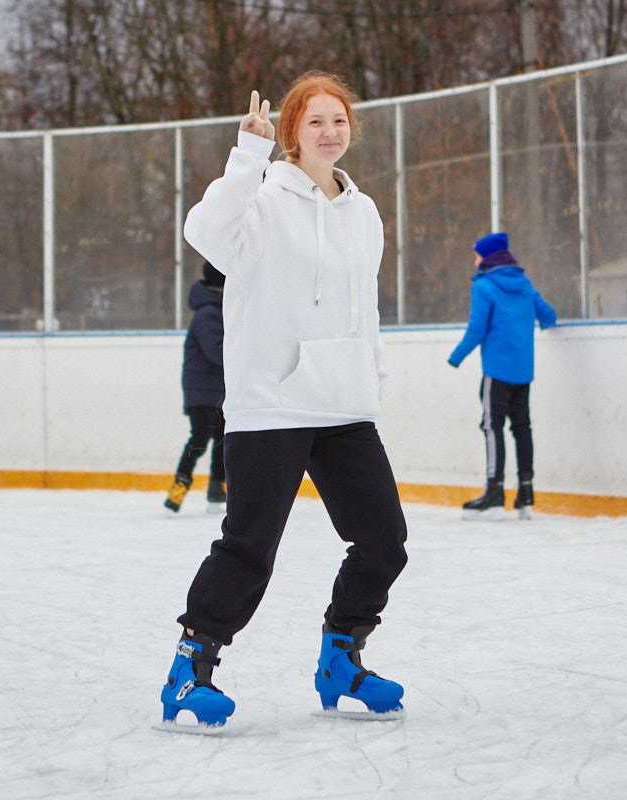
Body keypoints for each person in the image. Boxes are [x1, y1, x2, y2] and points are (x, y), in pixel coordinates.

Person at [159, 74, 409, 730]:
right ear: (292, 133)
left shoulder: (365, 211)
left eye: (338, 119)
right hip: (272, 403)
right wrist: (247, 155)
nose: (329, 131)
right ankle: (190, 670)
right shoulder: (263, 201)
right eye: (314, 121)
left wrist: (369, 376)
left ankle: (342, 657)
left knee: (385, 541)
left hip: (345, 405)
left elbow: (368, 306)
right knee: (249, 547)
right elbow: (204, 231)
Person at [448, 232, 556, 519]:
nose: (474, 260)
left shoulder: (484, 287)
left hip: (496, 372)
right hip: (523, 372)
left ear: (487, 257)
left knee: (492, 426)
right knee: (522, 428)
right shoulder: (525, 284)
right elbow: (549, 316)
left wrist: (455, 357)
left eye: (477, 254)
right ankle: (526, 492)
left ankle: (494, 491)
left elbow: (477, 330)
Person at [163, 261, 227, 513]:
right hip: (202, 392)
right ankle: (177, 492)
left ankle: (216, 492)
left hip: (216, 391)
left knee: (222, 439)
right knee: (200, 438)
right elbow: (217, 352)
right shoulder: (207, 314)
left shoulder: (216, 310)